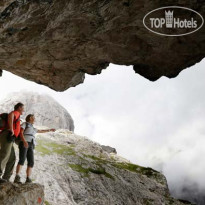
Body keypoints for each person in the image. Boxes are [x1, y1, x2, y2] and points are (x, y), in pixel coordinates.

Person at [14, 114, 55, 183]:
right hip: (24, 142)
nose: (35, 119)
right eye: (34, 118)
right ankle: (17, 177)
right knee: (22, 159)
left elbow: (40, 131)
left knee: (31, 161)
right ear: (30, 118)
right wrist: (24, 141)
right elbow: (21, 132)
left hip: (31, 144)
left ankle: (28, 178)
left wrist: (49, 130)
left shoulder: (33, 127)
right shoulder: (25, 124)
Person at [0, 102, 24, 183]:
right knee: (5, 154)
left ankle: (6, 178)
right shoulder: (16, 112)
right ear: (19, 107)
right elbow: (11, 115)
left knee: (12, 158)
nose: (23, 110)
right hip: (7, 134)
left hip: (10, 137)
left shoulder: (18, 116)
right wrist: (11, 129)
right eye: (23, 108)